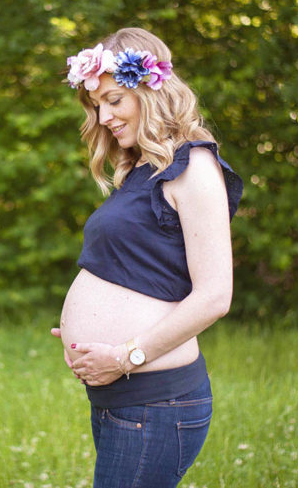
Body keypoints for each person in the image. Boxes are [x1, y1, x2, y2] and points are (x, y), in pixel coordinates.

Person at [50, 27, 243, 488]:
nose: (104, 116)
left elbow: (215, 296)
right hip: (126, 400)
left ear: (150, 89)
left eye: (115, 99)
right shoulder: (141, 167)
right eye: (97, 105)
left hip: (157, 403)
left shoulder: (194, 166)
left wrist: (123, 354)